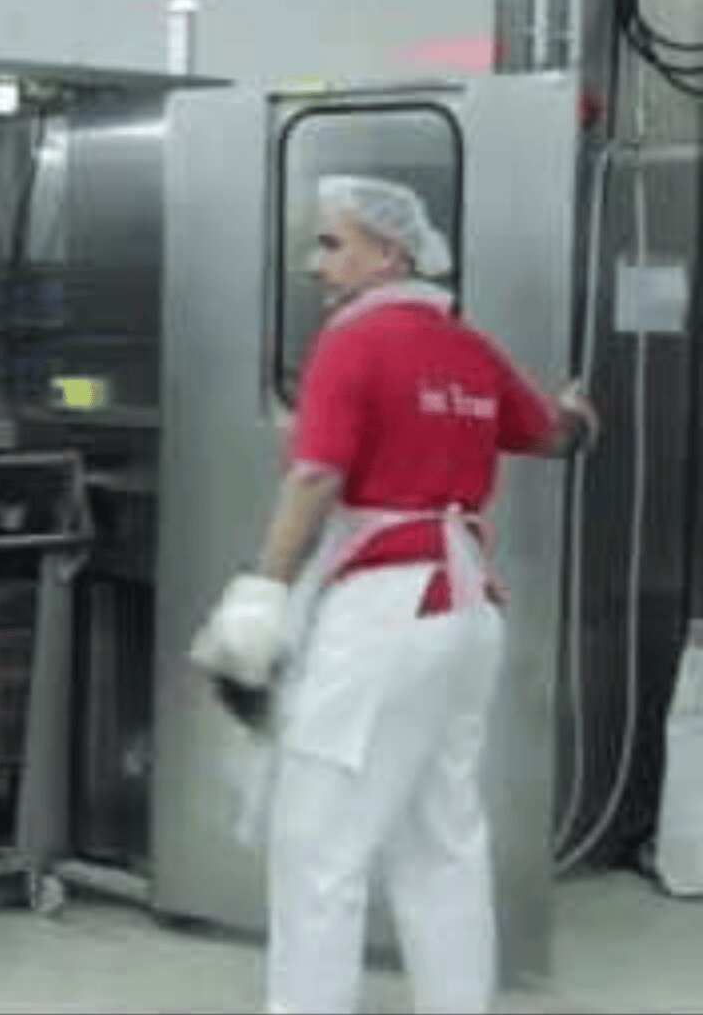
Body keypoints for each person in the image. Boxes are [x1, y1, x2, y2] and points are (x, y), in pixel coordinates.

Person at [189, 174, 600, 1015]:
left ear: (390, 251)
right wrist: (581, 416)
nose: (315, 264)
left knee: (318, 849)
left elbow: (315, 475)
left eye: (332, 243)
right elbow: (553, 436)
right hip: (465, 615)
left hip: (385, 615)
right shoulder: (467, 347)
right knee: (441, 837)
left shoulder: (354, 341)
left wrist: (261, 591)